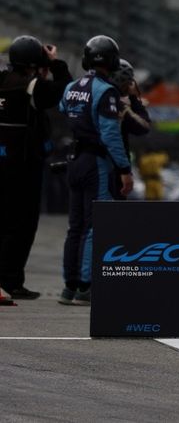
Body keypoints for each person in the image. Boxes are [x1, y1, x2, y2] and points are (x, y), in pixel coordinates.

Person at [58, 35, 133, 305]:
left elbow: (63, 108)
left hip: (73, 159)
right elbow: (111, 134)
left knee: (75, 226)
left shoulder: (71, 87)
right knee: (95, 224)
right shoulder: (106, 91)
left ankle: (69, 286)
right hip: (95, 162)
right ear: (112, 60)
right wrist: (124, 169)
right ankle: (86, 286)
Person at [0, 36, 72, 300]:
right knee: (21, 226)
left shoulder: (3, 80)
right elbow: (66, 90)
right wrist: (55, 64)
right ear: (34, 62)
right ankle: (10, 282)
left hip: (3, 161)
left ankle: (7, 282)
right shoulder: (31, 86)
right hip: (23, 166)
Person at [110, 59, 151, 199]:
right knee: (108, 209)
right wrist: (134, 98)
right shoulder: (119, 106)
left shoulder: (87, 93)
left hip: (84, 163)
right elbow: (143, 126)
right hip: (112, 169)